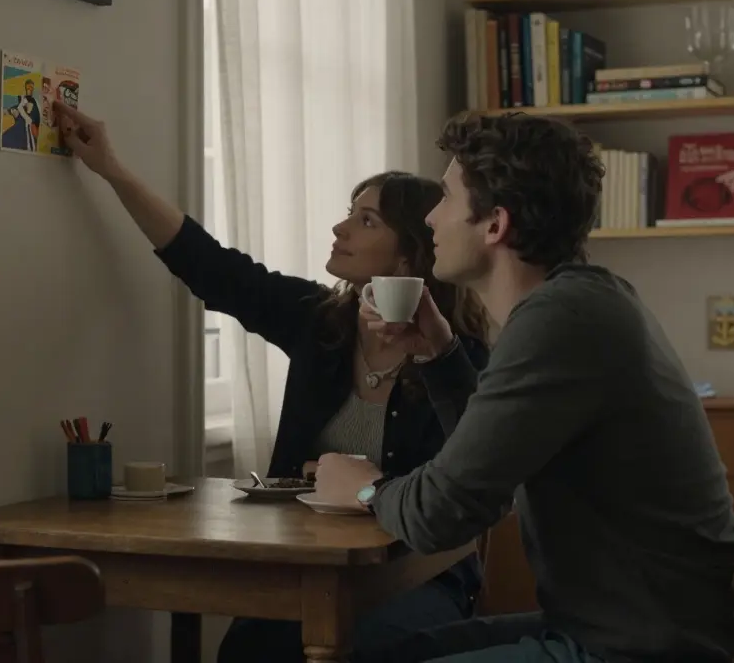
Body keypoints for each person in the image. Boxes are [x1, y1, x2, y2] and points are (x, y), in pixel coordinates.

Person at [52, 99, 491, 663]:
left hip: (417, 576)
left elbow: (464, 493)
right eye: (348, 212)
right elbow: (206, 262)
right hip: (307, 568)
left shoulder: (460, 360)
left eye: (366, 219)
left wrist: (361, 488)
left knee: (363, 648)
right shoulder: (319, 322)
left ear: (410, 252)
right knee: (247, 650)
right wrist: (112, 169)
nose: (339, 227)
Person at [315, 112, 734, 663]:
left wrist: (365, 487)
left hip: (637, 647)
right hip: (626, 623)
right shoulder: (582, 302)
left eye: (445, 198)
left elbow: (440, 514)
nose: (429, 218)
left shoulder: (560, 321)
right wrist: (440, 353)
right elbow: (489, 474)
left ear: (495, 224)